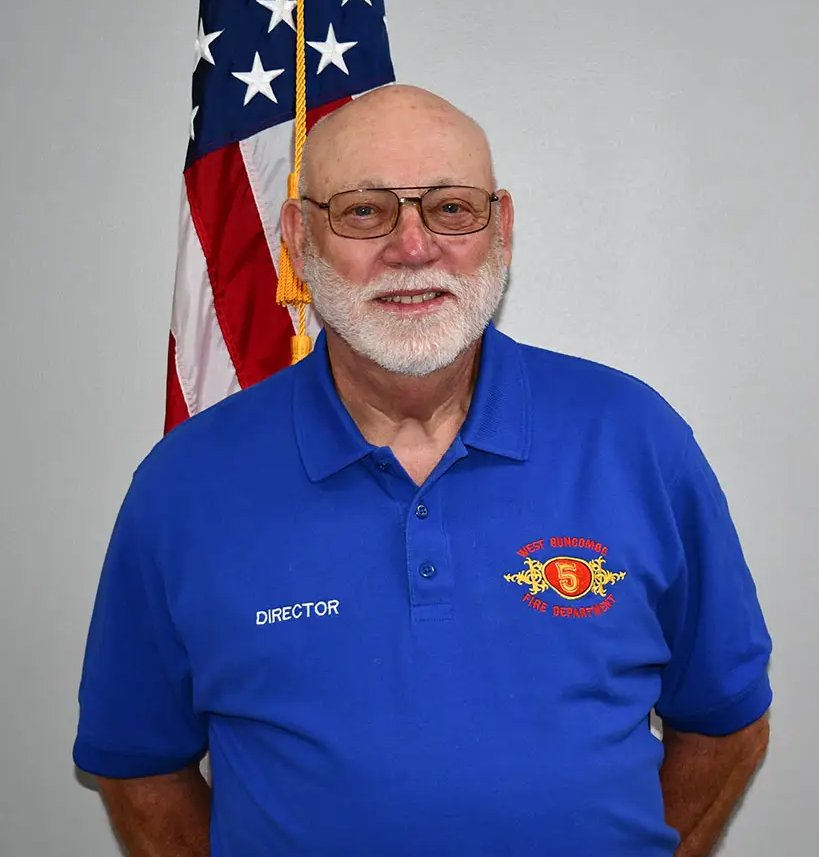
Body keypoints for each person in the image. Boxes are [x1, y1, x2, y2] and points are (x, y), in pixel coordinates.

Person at [74, 85, 772, 856]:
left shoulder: (635, 439)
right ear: (298, 239)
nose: (412, 247)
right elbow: (140, 763)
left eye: (449, 208)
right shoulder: (185, 485)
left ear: (499, 229)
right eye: (365, 211)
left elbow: (725, 719)